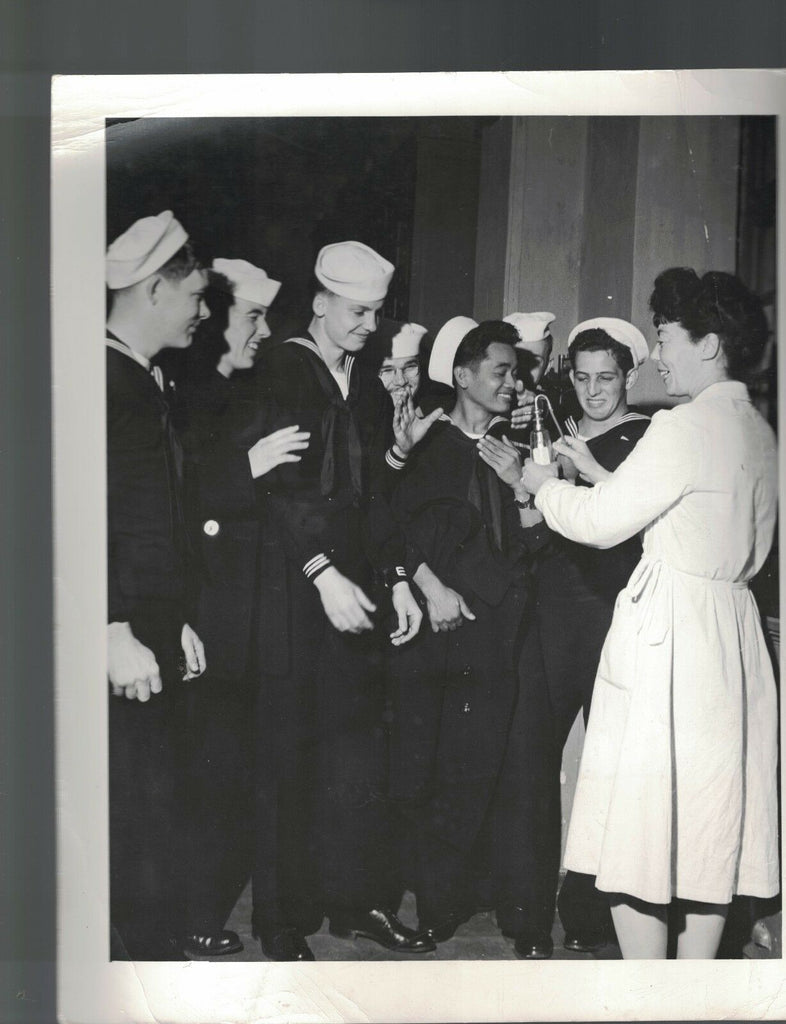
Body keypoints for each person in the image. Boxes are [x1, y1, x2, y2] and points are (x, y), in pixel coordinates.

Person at [520, 269, 779, 959]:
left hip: (671, 637)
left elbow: (602, 526)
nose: (659, 358)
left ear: (710, 342)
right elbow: (694, 517)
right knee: (702, 826)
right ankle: (694, 988)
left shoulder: (680, 424)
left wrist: (545, 487)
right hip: (729, 636)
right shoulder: (757, 428)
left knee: (640, 830)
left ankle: (647, 992)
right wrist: (607, 478)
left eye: (666, 339)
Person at [248, 241, 438, 960]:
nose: (370, 326)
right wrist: (324, 573)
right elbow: (279, 490)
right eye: (358, 313)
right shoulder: (280, 368)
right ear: (321, 303)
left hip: (357, 591)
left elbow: (370, 497)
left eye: (376, 313)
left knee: (358, 760)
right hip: (298, 593)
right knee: (288, 759)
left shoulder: (360, 377)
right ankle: (281, 920)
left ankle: (357, 904)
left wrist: (395, 578)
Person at [389, 317, 559, 959]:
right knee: (448, 768)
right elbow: (391, 529)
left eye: (517, 372)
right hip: (445, 634)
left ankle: (526, 918)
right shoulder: (423, 445)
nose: (514, 384)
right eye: (502, 371)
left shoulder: (519, 446)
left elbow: (537, 542)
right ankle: (439, 906)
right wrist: (429, 584)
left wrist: (524, 489)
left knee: (520, 773)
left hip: (511, 630)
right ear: (462, 375)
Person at [175, 257, 310, 958]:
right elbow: (167, 505)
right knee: (207, 779)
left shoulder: (260, 397)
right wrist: (244, 470)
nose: (263, 331)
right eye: (251, 317)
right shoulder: (180, 395)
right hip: (206, 618)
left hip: (263, 618)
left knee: (261, 774)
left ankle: (267, 918)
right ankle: (195, 914)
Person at [105, 211, 209, 960]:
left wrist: (172, 622)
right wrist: (110, 627)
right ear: (152, 289)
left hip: (148, 630)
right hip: (116, 641)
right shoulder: (100, 379)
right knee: (130, 820)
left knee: (150, 814)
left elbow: (152, 520)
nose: (203, 312)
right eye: (194, 296)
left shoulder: (141, 379)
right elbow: (72, 514)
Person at [534, 317, 651, 953]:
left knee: (611, 771)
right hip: (554, 613)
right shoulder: (562, 434)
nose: (594, 391)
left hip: (614, 615)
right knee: (534, 758)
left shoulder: (649, 439)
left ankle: (594, 914)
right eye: (582, 378)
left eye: (607, 378)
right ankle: (524, 907)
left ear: (629, 376)